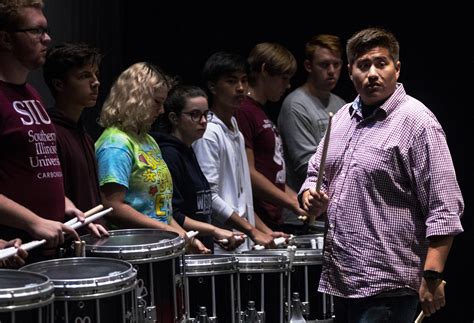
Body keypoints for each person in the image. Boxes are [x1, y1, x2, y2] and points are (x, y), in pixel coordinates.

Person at [300, 27, 464, 322]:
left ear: (397, 68)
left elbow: (445, 206)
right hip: (342, 280)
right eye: (363, 66)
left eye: (381, 63)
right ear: (350, 72)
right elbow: (316, 174)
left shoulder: (418, 123)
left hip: (388, 285)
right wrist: (310, 195)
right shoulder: (340, 119)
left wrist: (432, 275)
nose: (372, 73)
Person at [0, 0, 98, 263]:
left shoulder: (32, 95)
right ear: (6, 40)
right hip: (17, 249)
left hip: (48, 244)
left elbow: (39, 170)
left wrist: (65, 203)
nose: (47, 38)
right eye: (36, 31)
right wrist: (33, 221)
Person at [95, 62, 208, 253]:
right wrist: (168, 231)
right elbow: (112, 206)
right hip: (132, 252)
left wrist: (186, 237)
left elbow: (160, 210)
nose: (162, 110)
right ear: (135, 98)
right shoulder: (116, 143)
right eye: (157, 102)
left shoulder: (148, 140)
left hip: (158, 247)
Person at [193, 51, 284, 253]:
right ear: (212, 86)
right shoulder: (209, 132)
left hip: (242, 243)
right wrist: (251, 231)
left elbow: (244, 200)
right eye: (232, 81)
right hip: (223, 247)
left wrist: (264, 230)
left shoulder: (234, 126)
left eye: (244, 81)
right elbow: (209, 197)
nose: (241, 88)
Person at [152, 85, 245, 252]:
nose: (203, 121)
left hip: (200, 249)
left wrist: (214, 237)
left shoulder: (189, 150)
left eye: (205, 115)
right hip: (183, 252)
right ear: (174, 118)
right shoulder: (169, 155)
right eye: (194, 115)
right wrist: (214, 230)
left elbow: (199, 208)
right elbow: (172, 214)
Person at [234, 42, 306, 231]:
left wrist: (299, 199)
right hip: (258, 219)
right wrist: (291, 203)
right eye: (284, 78)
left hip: (273, 217)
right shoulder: (244, 111)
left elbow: (274, 177)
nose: (288, 85)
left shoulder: (260, 111)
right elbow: (247, 173)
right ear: (265, 70)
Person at [43, 43, 108, 234]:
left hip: (92, 236)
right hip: (67, 242)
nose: (95, 82)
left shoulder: (84, 135)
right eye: (84, 76)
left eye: (95, 74)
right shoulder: (49, 133)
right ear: (59, 84)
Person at [278, 34, 345, 195]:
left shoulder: (341, 104)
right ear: (308, 66)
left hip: (331, 206)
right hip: (302, 211)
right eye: (324, 65)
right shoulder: (296, 105)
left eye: (336, 64)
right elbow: (305, 165)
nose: (331, 71)